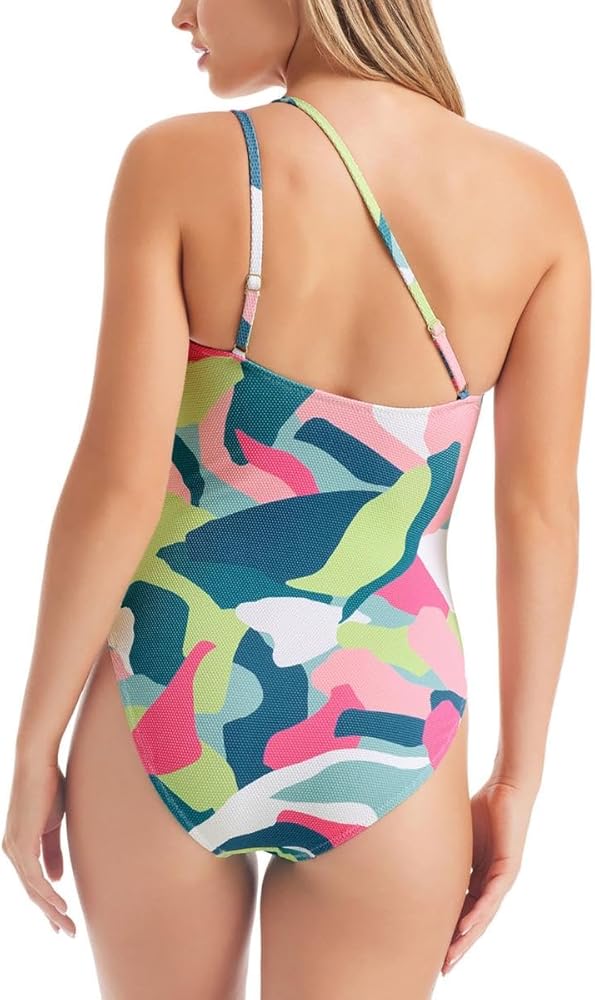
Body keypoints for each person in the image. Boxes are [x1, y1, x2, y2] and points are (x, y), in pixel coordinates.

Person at [2, 1, 589, 997]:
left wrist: (31, 749)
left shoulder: (178, 162)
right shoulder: (533, 196)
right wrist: (515, 780)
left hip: (166, 698)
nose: (180, 14)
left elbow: (116, 488)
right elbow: (538, 515)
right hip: (394, 722)